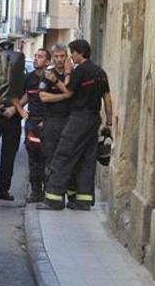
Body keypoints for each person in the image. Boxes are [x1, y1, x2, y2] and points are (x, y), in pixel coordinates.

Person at [39, 39, 113, 211]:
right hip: (94, 119)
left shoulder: (80, 71)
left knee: (63, 155)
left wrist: (59, 79)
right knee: (87, 159)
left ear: (79, 53)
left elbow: (68, 92)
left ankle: (53, 198)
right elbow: (108, 99)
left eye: (72, 53)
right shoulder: (100, 72)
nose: (70, 57)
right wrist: (108, 123)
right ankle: (83, 200)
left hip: (78, 118)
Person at [16, 48, 51, 203]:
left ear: (47, 62)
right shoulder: (28, 78)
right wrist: (20, 110)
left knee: (47, 158)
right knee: (33, 159)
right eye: (35, 56)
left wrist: (48, 120)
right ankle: (36, 192)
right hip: (32, 123)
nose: (36, 59)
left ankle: (48, 191)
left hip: (48, 123)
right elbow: (16, 97)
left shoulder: (51, 79)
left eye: (40, 57)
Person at [38, 44, 73, 186]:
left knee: (67, 158)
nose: (59, 59)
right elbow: (43, 97)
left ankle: (64, 191)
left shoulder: (72, 74)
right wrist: (64, 96)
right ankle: (49, 191)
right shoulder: (47, 74)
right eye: (56, 56)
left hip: (69, 121)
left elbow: (71, 92)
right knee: (50, 157)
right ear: (52, 58)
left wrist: (66, 77)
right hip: (51, 121)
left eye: (62, 56)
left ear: (67, 57)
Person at [0, 40, 21, 201]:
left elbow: (25, 94)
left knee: (8, 156)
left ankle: (3, 190)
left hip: (12, 117)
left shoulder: (19, 71)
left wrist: (14, 108)